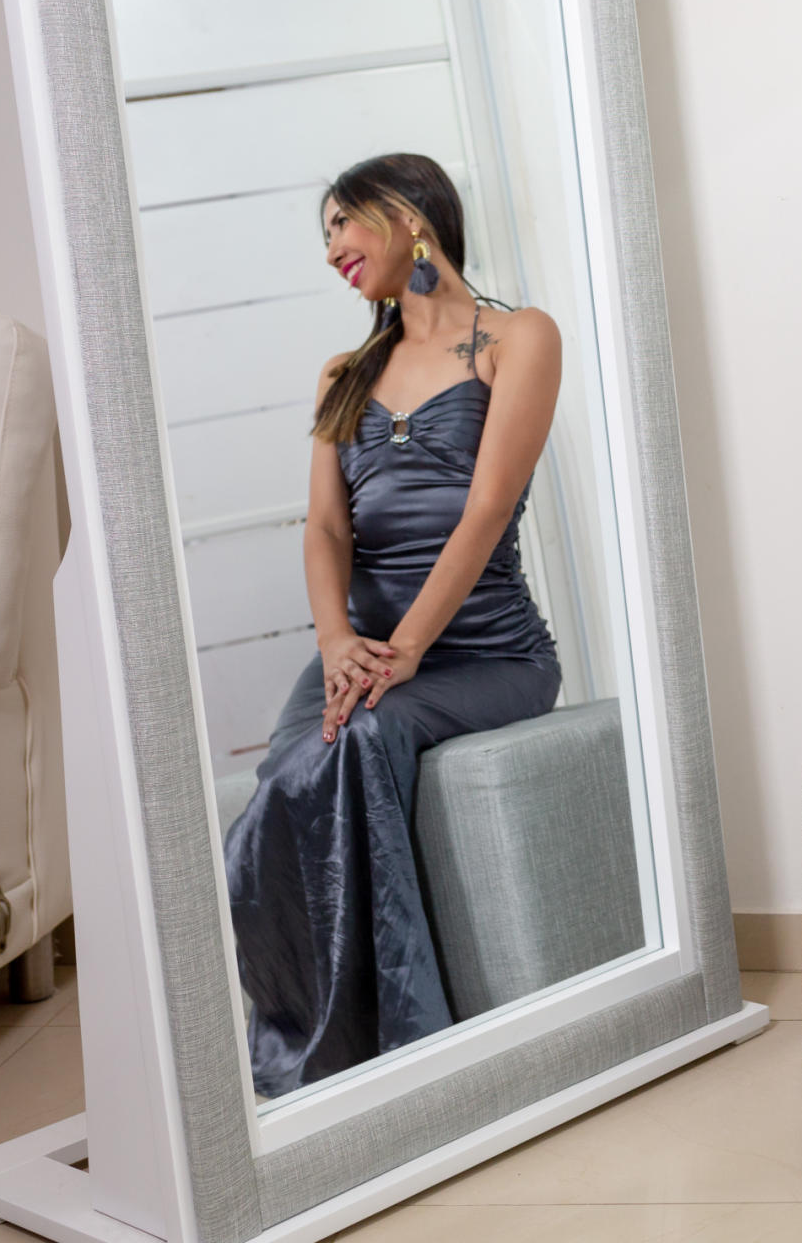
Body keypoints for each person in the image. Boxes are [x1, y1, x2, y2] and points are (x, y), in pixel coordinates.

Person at [224, 152, 564, 1098]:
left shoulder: (518, 338)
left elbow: (487, 509)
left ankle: (409, 1050)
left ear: (410, 214)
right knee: (288, 777)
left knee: (363, 740)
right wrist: (338, 643)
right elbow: (327, 530)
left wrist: (408, 649)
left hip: (485, 652)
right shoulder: (344, 372)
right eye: (325, 232)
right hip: (363, 651)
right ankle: (309, 1041)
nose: (331, 246)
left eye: (344, 221)